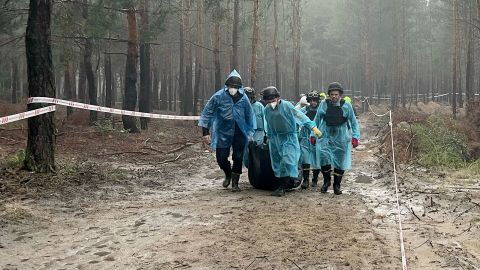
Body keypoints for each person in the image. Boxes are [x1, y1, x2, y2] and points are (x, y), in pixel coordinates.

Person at [198, 70, 255, 192]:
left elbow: (250, 115)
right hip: (223, 131)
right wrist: (205, 132)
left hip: (239, 132)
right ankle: (228, 173)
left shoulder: (244, 98)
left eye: (235, 87)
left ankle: (235, 183)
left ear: (239, 87)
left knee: (238, 157)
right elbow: (207, 113)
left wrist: (250, 131)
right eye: (231, 86)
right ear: (227, 86)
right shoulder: (218, 96)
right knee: (221, 157)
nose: (233, 88)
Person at [262, 86, 322, 197]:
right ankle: (283, 184)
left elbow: (299, 116)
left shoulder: (286, 106)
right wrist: (268, 136)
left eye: (273, 100)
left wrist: (312, 127)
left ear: (278, 97)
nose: (271, 103)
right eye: (269, 101)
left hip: (288, 137)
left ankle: (283, 187)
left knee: (287, 159)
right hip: (275, 138)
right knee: (278, 162)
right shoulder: (266, 109)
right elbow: (268, 123)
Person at [312, 82, 360, 195]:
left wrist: (355, 137)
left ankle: (336, 185)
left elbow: (354, 122)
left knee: (340, 160)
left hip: (341, 136)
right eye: (332, 94)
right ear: (329, 95)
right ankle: (326, 181)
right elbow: (316, 120)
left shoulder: (347, 106)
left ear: (340, 95)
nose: (334, 96)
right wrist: (313, 134)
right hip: (325, 135)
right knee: (323, 156)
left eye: (336, 94)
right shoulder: (323, 104)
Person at [299, 90, 321, 189]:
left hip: (317, 137)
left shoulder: (321, 110)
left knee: (317, 159)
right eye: (311, 100)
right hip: (305, 137)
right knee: (305, 158)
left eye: (315, 100)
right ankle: (306, 180)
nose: (313, 102)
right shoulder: (303, 110)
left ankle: (315, 179)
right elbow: (296, 119)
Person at [243, 87, 265, 167]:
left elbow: (265, 120)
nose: (248, 99)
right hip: (246, 133)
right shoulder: (240, 107)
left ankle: (257, 170)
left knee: (257, 152)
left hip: (259, 133)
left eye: (249, 97)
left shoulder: (259, 106)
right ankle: (249, 167)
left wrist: (266, 134)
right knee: (246, 154)